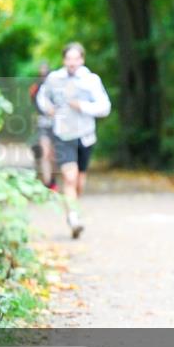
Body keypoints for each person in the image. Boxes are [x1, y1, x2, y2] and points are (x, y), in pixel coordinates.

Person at [36, 43, 111, 238]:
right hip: (62, 134)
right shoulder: (54, 79)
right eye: (68, 59)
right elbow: (42, 97)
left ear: (82, 60)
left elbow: (105, 107)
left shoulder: (91, 80)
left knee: (79, 183)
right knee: (69, 177)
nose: (72, 63)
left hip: (85, 136)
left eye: (75, 59)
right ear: (64, 60)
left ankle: (73, 209)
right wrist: (48, 108)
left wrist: (83, 106)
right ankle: (74, 219)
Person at [29, 61, 57, 190]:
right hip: (43, 123)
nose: (43, 74)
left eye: (45, 72)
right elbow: (34, 104)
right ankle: (48, 183)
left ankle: (53, 179)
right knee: (45, 153)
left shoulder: (57, 87)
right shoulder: (36, 87)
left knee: (53, 154)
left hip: (57, 124)